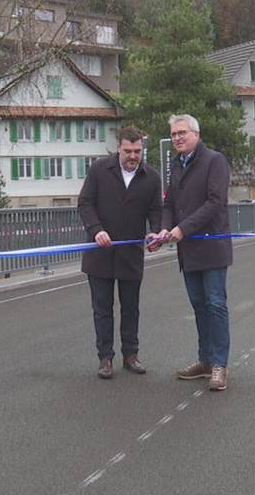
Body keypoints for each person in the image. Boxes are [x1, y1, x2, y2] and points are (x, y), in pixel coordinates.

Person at [153, 114, 233, 391]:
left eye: (182, 133)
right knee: (199, 306)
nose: (177, 138)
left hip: (211, 247)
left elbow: (215, 203)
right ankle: (206, 361)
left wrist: (182, 229)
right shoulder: (175, 166)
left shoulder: (214, 161)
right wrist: (164, 230)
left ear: (196, 134)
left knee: (215, 305)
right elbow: (169, 205)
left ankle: (220, 365)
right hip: (188, 250)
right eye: (174, 134)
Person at [78, 126, 163, 379]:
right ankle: (105, 359)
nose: (133, 156)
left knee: (131, 307)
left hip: (131, 254)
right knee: (102, 308)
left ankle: (131, 355)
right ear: (119, 148)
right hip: (99, 253)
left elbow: (156, 211)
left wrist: (155, 232)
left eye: (138, 151)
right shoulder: (99, 170)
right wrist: (96, 230)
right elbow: (85, 203)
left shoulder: (151, 177)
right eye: (128, 151)